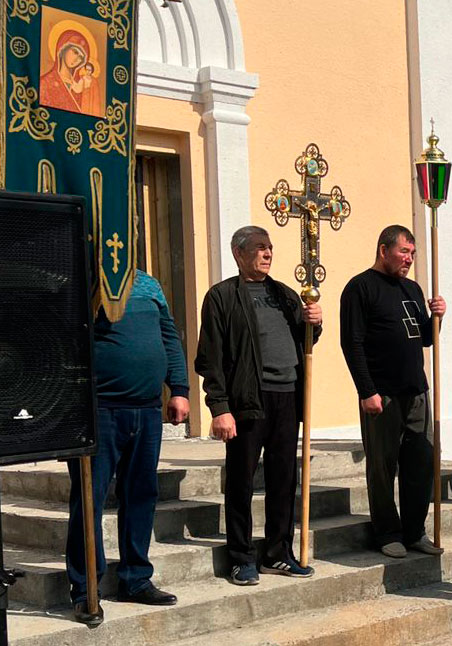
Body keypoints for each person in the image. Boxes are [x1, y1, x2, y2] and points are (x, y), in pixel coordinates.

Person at [195, 226, 322, 585]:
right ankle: (240, 557)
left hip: (288, 397)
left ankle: (278, 553)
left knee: (284, 479)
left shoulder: (284, 294)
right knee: (241, 480)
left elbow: (305, 340)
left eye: (269, 248)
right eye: (258, 248)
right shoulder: (222, 297)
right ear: (238, 253)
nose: (267, 254)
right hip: (248, 398)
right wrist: (219, 407)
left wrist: (315, 322)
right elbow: (210, 358)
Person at [66, 270, 189, 626]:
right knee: (89, 500)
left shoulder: (150, 284)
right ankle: (86, 590)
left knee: (141, 495)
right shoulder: (82, 278)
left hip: (147, 410)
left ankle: (136, 579)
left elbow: (169, 336)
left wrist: (179, 388)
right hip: (98, 411)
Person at [340, 224, 446, 558]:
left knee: (421, 463)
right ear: (383, 249)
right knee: (383, 466)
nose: (409, 259)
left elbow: (425, 338)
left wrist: (437, 318)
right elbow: (352, 342)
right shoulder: (360, 288)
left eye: (413, 253)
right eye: (404, 252)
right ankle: (387, 532)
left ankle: (415, 530)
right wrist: (366, 390)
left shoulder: (413, 289)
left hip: (416, 391)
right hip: (381, 393)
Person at [39, 28, 103, 117]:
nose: (77, 59)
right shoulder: (45, 83)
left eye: (81, 57)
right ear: (63, 49)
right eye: (75, 52)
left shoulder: (83, 88)